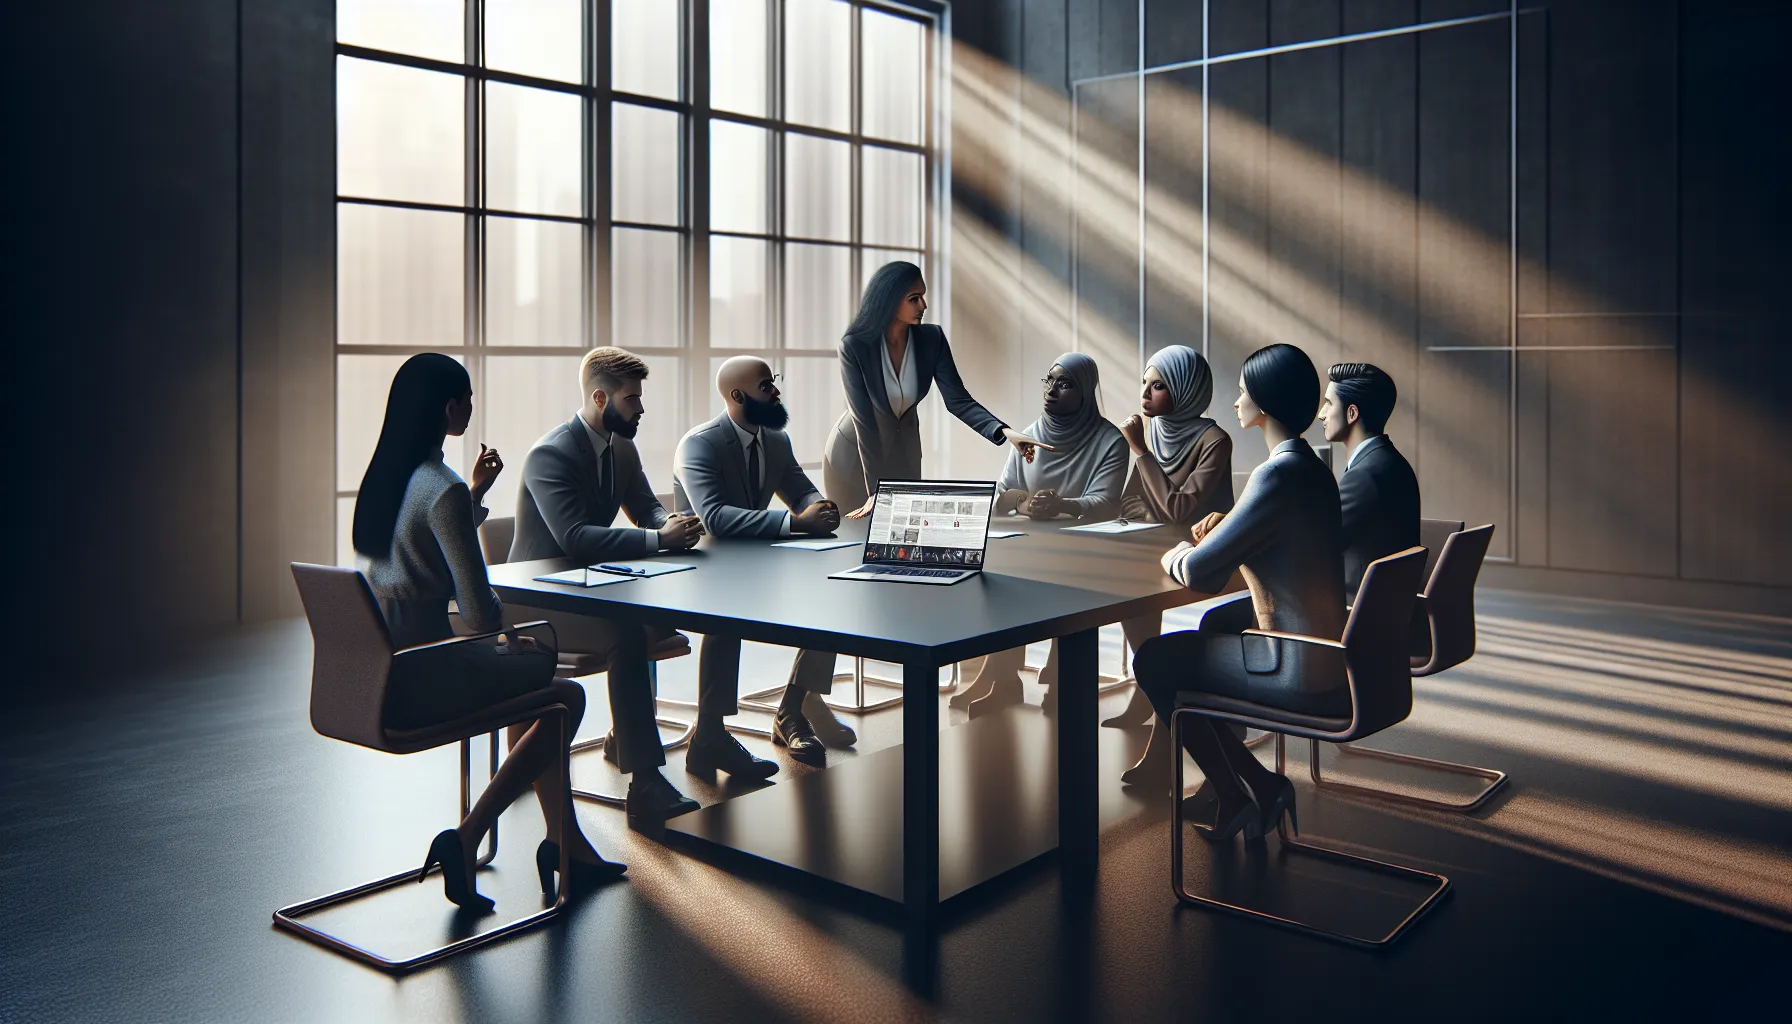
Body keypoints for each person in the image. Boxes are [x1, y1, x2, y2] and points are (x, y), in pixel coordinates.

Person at [353, 353, 624, 911]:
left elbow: (415, 559)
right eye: (468, 398)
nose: (472, 408)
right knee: (563, 696)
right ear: (450, 407)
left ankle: (564, 842)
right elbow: (477, 614)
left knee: (529, 694)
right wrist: (508, 634)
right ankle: (469, 834)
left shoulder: (388, 476)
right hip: (425, 678)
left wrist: (473, 495)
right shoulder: (442, 488)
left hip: (385, 666)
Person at [1130, 343, 1347, 842]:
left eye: (1245, 389)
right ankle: (1258, 786)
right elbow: (1277, 532)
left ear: (1265, 404)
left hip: (1288, 664)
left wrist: (1173, 553)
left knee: (1156, 662)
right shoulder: (1311, 469)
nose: (1237, 398)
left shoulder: (1275, 473)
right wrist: (1232, 524)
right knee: (1204, 638)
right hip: (1325, 653)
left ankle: (1239, 792)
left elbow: (1202, 572)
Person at [508, 347, 706, 828]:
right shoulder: (549, 454)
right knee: (627, 636)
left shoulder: (621, 448)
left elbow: (644, 507)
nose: (641, 408)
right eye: (632, 399)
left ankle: (629, 737)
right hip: (537, 599)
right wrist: (659, 539)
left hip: (589, 587)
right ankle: (646, 784)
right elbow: (573, 539)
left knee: (669, 618)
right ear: (600, 398)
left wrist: (669, 521)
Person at [672, 356, 854, 768]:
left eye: (774, 382)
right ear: (737, 396)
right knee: (726, 613)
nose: (775, 391)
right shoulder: (699, 444)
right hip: (706, 568)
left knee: (835, 594)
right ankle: (710, 735)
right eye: (765, 385)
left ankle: (793, 708)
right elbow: (714, 518)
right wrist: (796, 523)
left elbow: (800, 488)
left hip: (761, 560)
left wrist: (819, 507)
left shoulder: (775, 439)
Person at [949, 351, 1127, 716]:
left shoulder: (1110, 441)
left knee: (1059, 590)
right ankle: (1004, 681)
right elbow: (1004, 491)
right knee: (996, 582)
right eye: (1050, 381)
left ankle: (1060, 686)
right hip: (1029, 546)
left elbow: (1107, 503)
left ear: (1085, 392)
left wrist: (1065, 505)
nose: (1052, 390)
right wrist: (1018, 500)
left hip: (1086, 552)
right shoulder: (1028, 436)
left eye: (1065, 384)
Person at [826, 261, 1051, 518]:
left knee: (904, 536)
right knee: (856, 535)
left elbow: (958, 400)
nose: (924, 305)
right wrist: (878, 489)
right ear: (889, 300)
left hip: (905, 450)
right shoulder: (854, 346)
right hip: (854, 456)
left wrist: (1007, 433)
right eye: (914, 298)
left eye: (923, 296)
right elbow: (864, 422)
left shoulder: (931, 340)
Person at [1107, 345, 1238, 743]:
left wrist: (1140, 450)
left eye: (1158, 385)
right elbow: (1129, 499)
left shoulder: (1214, 440)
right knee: (1125, 590)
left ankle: (1160, 703)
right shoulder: (1158, 429)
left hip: (1202, 551)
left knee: (1131, 588)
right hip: (1154, 546)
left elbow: (1180, 510)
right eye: (1145, 383)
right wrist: (1153, 514)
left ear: (1186, 390)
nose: (1145, 395)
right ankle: (1150, 689)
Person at [1319, 362, 1419, 598]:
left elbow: (1318, 547)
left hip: (1357, 613)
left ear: (1352, 413)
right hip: (1389, 609)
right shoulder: (1391, 462)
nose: (1321, 414)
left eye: (1329, 403)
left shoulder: (1363, 477)